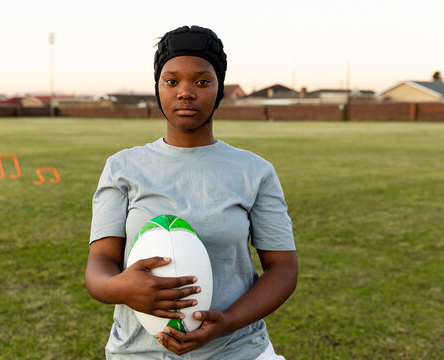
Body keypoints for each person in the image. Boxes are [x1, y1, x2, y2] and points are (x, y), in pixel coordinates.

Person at [85, 25, 298, 360]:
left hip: (237, 350)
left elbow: (284, 268)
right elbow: (100, 264)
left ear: (220, 89)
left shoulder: (254, 171)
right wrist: (121, 287)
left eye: (202, 81)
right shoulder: (122, 167)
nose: (185, 92)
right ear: (158, 88)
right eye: (172, 81)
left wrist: (228, 321)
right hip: (138, 353)